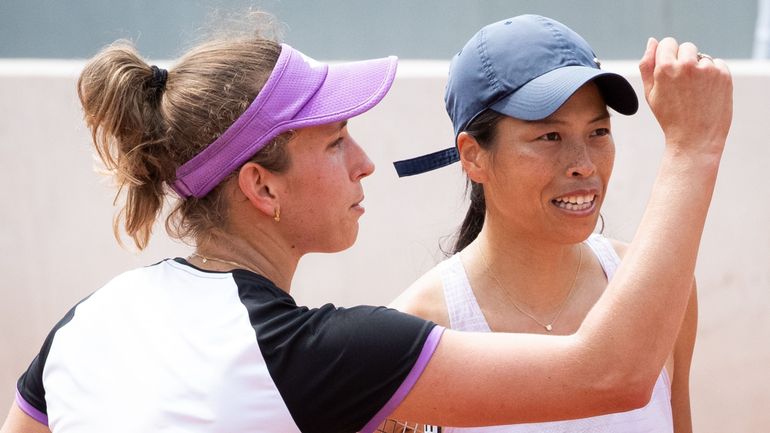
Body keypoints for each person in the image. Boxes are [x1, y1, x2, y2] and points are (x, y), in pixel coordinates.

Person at [1, 12, 731, 433]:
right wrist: (695, 148)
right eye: (333, 141)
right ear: (260, 185)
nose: (365, 162)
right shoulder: (331, 353)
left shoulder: (86, 323)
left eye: (597, 129)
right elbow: (610, 372)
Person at [386, 14, 724, 433]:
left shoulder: (658, 286)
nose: (583, 165)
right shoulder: (419, 328)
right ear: (473, 156)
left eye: (598, 131)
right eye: (550, 137)